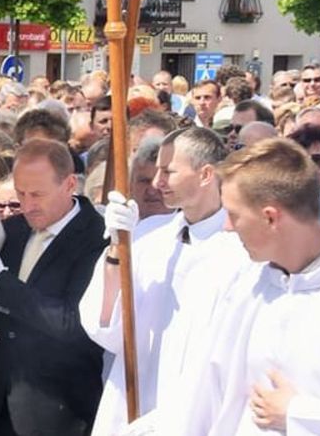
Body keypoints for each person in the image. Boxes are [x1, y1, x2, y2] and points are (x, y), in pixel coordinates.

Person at [165, 138, 320, 434]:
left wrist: (300, 416)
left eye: (235, 215)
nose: (228, 226)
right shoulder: (246, 288)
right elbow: (203, 398)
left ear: (270, 217)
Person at [0, 137, 107, 436]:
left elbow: (75, 325)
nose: (27, 205)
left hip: (59, 411)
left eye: (37, 194)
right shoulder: (15, 230)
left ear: (70, 184)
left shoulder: (97, 237)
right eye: (20, 192)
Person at [78, 127, 231, 436]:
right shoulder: (148, 237)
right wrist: (117, 247)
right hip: (135, 400)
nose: (158, 182)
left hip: (200, 411)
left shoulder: (239, 248)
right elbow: (104, 326)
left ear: (206, 174)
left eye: (168, 171)